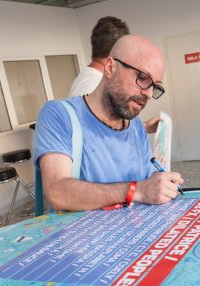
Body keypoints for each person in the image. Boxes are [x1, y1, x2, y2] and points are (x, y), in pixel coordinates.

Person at [34, 35, 183, 212]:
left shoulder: (135, 126)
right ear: (111, 67)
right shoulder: (59, 114)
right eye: (143, 78)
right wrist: (137, 190)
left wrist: (161, 185)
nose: (149, 94)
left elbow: (147, 181)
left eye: (155, 86)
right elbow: (58, 193)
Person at [69, 16, 159, 134]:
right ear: (117, 51)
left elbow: (108, 126)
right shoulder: (93, 85)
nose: (149, 94)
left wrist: (144, 127)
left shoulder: (91, 79)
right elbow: (97, 134)